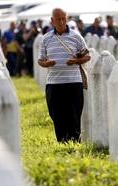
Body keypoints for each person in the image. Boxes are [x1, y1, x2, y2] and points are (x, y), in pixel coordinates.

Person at [38, 8, 90, 142]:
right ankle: (62, 142)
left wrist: (76, 61)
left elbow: (87, 56)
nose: (61, 22)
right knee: (57, 115)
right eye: (58, 19)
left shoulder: (76, 36)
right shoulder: (46, 38)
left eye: (63, 18)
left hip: (74, 82)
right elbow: (40, 60)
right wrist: (47, 63)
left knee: (74, 115)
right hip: (54, 84)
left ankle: (74, 143)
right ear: (52, 21)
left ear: (66, 19)